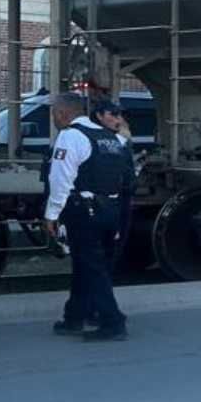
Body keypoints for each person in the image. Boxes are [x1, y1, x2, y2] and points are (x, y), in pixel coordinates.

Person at [44, 93, 133, 340]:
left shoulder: (71, 135)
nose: (54, 119)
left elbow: (60, 179)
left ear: (63, 113)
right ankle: (74, 316)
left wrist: (51, 214)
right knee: (89, 264)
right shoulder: (110, 138)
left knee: (92, 267)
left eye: (54, 114)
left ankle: (113, 322)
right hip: (111, 210)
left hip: (84, 211)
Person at [92, 99, 139, 271]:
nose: (118, 119)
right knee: (109, 247)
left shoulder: (118, 139)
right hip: (110, 199)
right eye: (113, 115)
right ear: (99, 116)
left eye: (120, 115)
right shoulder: (114, 141)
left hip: (116, 197)